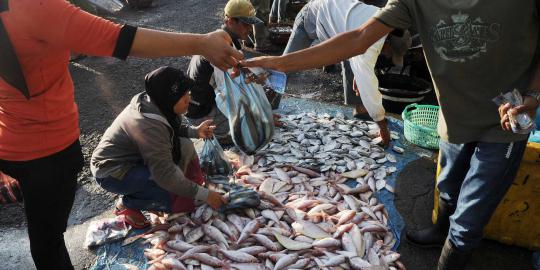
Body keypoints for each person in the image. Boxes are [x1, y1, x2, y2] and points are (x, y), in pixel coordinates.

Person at [243, 0, 540, 269]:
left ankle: (452, 257)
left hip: (505, 122)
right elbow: (358, 38)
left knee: (468, 221)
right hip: (453, 117)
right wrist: (275, 63)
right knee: (448, 186)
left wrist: (534, 94)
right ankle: (439, 233)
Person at [0, 0, 242, 269]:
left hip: (10, 147)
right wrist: (201, 42)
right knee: (49, 243)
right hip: (51, 154)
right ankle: (129, 202)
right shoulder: (34, 7)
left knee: (44, 241)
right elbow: (119, 39)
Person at [91, 67, 226, 228]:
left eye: (188, 94)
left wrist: (195, 132)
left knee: (185, 147)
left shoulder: (159, 103)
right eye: (183, 97)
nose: (189, 100)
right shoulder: (148, 126)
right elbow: (165, 175)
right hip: (113, 171)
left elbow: (170, 129)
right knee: (174, 199)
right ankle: (128, 204)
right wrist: (206, 195)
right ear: (170, 99)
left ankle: (159, 191)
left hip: (139, 156)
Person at [281, 0, 411, 146]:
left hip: (336, 25)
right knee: (283, 68)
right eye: (390, 53)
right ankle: (265, 110)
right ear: (387, 43)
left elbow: (362, 60)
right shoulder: (371, 42)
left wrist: (359, 73)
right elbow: (369, 86)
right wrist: (383, 128)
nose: (387, 56)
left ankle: (361, 110)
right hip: (310, 16)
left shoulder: (383, 23)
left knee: (357, 67)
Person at [186, 0, 263, 144]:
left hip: (209, 101)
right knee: (254, 130)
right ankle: (220, 135)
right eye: (245, 23)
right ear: (230, 21)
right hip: (202, 113)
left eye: (250, 23)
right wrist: (255, 117)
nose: (249, 28)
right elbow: (226, 94)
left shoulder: (225, 39)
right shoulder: (220, 47)